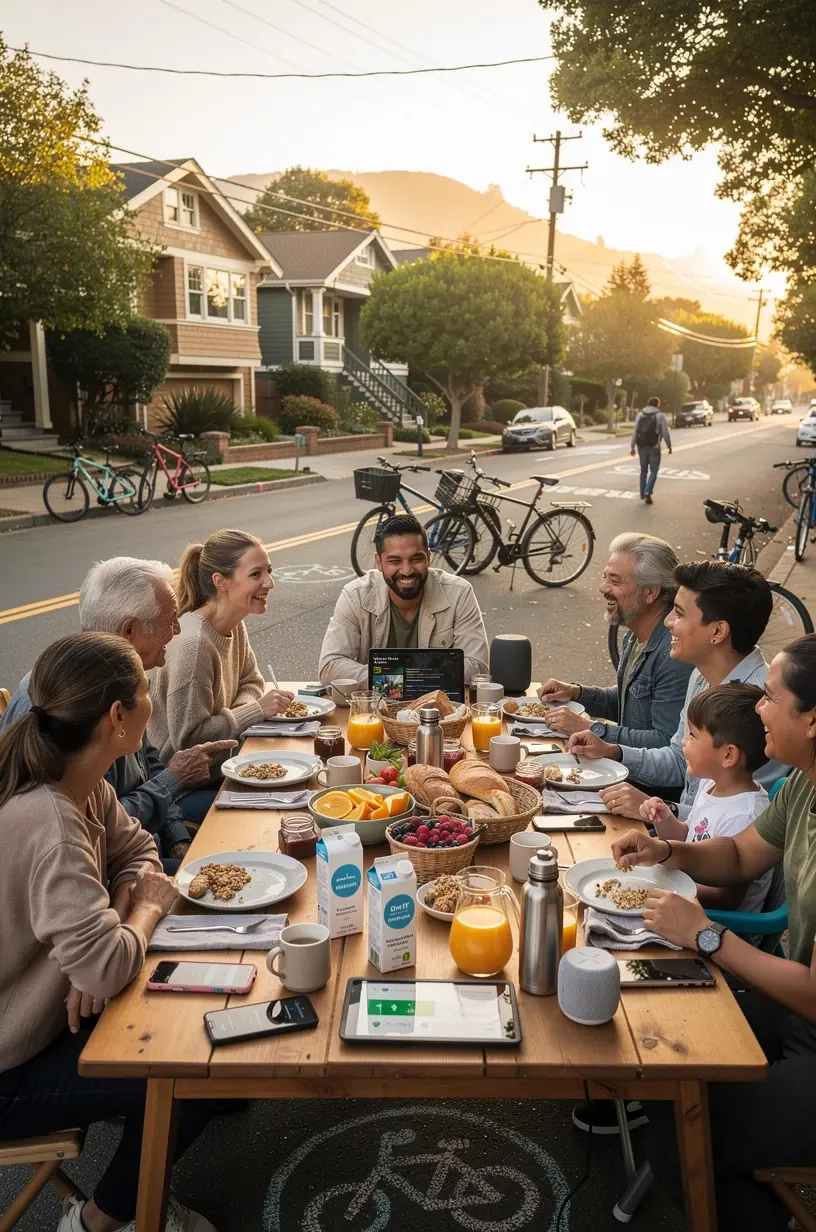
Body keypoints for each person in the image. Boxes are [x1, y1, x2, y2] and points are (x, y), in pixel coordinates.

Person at [0, 632, 223, 1232]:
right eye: (147, 690)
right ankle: (100, 1220)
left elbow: (139, 850)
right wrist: (141, 911)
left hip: (44, 1026)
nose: (154, 698)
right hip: (10, 1069)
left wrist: (116, 922)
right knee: (198, 1068)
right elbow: (107, 965)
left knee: (215, 1040)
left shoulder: (82, 783)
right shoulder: (50, 821)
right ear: (118, 717)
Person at [609, 634, 816, 1232]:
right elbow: (741, 855)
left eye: (770, 697)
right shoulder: (804, 781)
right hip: (794, 1015)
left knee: (683, 1131)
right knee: (656, 1052)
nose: (758, 708)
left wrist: (707, 937)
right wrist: (667, 849)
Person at [0, 557, 235, 860]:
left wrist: (177, 836)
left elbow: (149, 764)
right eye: (169, 619)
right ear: (129, 631)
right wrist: (174, 779)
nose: (177, 630)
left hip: (138, 846)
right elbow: (98, 829)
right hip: (109, 864)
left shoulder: (119, 681)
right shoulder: (72, 702)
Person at [568, 561, 786, 820]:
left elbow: (740, 822)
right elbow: (679, 759)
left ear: (717, 631)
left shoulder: (761, 706)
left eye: (679, 613)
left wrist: (655, 809)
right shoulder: (701, 674)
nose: (668, 621)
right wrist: (613, 751)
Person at [537, 535, 692, 781]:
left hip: (646, 790)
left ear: (650, 592)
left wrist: (591, 728)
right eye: (605, 577)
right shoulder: (635, 635)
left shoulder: (672, 654)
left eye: (615, 580)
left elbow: (665, 742)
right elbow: (631, 704)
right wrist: (576, 693)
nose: (603, 588)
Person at [149, 529, 293, 763]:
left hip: (227, 760)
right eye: (255, 574)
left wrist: (244, 713)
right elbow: (189, 741)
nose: (269, 582)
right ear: (220, 581)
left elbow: (252, 681)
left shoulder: (234, 623)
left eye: (269, 570)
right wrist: (256, 710)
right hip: (185, 779)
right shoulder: (195, 646)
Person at [318, 513, 489, 688]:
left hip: (438, 704)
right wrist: (399, 679)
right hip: (375, 704)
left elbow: (478, 668)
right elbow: (330, 666)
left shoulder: (459, 593)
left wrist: (394, 678)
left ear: (428, 557)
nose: (407, 571)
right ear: (379, 562)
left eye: (416, 559)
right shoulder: (355, 595)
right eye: (395, 561)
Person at [641, 682, 772, 910]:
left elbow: (725, 898)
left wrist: (660, 886)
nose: (684, 741)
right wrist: (664, 819)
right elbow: (688, 838)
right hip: (686, 893)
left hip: (717, 920)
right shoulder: (711, 784)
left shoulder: (744, 815)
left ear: (728, 755)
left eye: (692, 735)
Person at [631, 395, 672, 504]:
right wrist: (669, 446)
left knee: (643, 471)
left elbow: (635, 431)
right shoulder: (660, 416)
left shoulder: (640, 415)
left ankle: (642, 493)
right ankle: (647, 491)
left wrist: (632, 447)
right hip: (654, 447)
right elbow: (665, 432)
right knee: (654, 471)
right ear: (658, 404)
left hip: (641, 447)